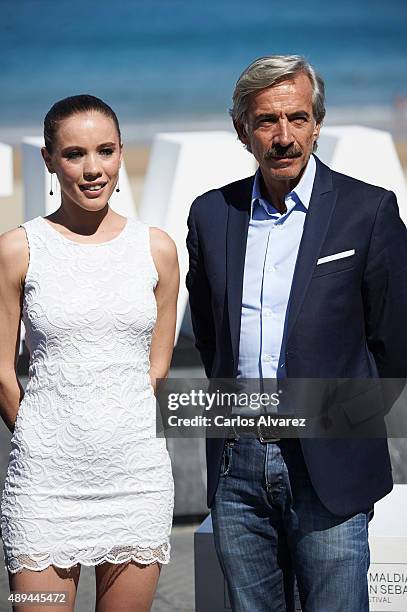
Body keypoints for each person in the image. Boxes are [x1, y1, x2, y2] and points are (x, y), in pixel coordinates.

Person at [186, 55, 407, 611]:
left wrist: (344, 422)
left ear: (317, 121)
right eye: (267, 121)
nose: (284, 136)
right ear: (243, 131)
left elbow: (395, 343)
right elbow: (214, 342)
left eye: (298, 118)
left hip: (329, 465)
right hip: (238, 468)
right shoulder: (211, 215)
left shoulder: (370, 211)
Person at [0, 94, 179, 612]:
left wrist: (115, 426)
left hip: (135, 481)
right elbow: (2, 371)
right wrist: (41, 437)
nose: (93, 169)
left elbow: (157, 365)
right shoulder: (18, 249)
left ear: (123, 153)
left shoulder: (157, 249)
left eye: (105, 151)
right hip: (44, 488)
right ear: (49, 160)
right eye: (75, 154)